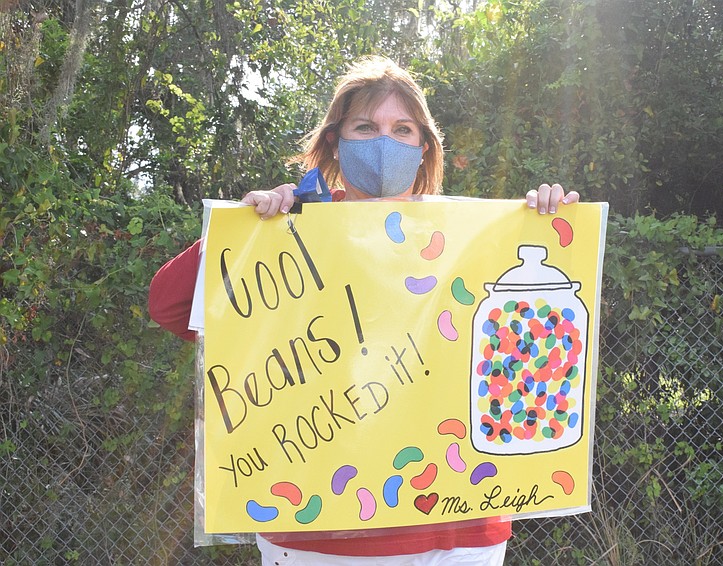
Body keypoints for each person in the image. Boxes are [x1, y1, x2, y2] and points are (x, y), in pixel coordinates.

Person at [149, 56, 579, 566]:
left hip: (457, 531)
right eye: (365, 127)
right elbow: (171, 304)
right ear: (335, 141)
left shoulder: (470, 242)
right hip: (316, 535)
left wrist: (543, 224)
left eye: (402, 129)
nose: (384, 143)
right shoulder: (295, 236)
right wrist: (245, 233)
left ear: (424, 148)